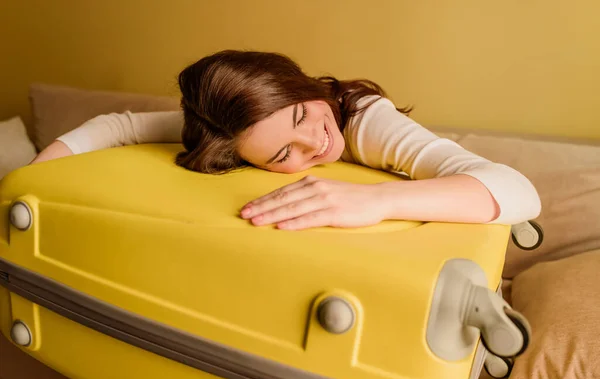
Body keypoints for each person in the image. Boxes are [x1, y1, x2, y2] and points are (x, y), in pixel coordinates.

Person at [30, 50, 541, 231]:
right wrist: (29, 180)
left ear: (301, 85)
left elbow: (518, 190)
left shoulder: (363, 121)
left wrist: (375, 201)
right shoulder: (228, 135)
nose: (313, 145)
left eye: (300, 114)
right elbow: (118, 126)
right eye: (281, 156)